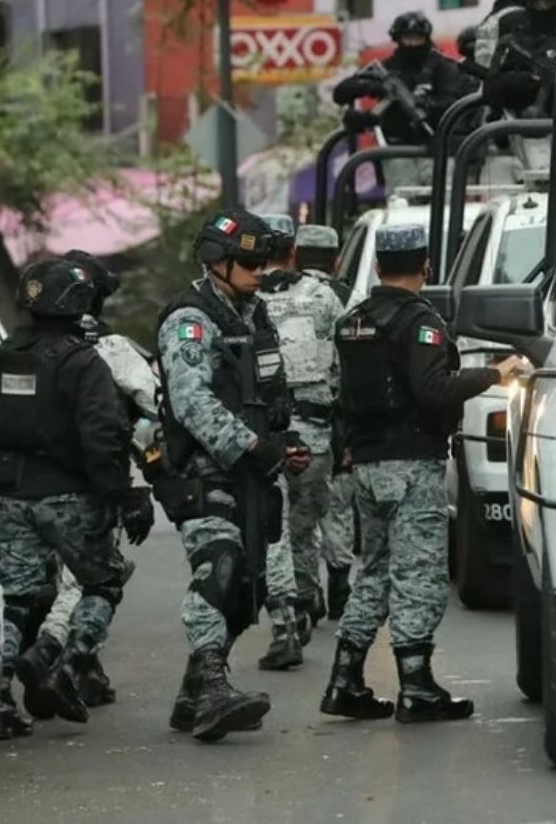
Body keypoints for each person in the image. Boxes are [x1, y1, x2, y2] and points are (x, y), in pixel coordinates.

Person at [320, 224, 518, 723]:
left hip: (366, 464)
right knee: (420, 575)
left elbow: (338, 394)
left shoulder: (352, 321)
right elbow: (432, 389)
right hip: (411, 463)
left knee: (376, 572)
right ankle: (416, 686)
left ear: (380, 266)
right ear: (426, 265)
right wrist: (497, 373)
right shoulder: (419, 323)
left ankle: (344, 679)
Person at [156, 210, 310, 740]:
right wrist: (252, 448)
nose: (260, 270)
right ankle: (213, 691)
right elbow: (191, 401)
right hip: (205, 472)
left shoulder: (254, 315)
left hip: (253, 475)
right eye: (248, 261)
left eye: (263, 260)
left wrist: (284, 444)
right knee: (219, 569)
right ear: (215, 261)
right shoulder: (191, 321)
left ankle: (191, 695)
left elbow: (268, 395)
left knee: (247, 591)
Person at [0, 259, 145, 737]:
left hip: (13, 495)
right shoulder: (81, 360)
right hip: (70, 497)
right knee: (105, 583)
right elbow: (103, 435)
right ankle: (63, 665)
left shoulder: (7, 354)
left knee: (13, 600)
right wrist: (124, 495)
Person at [15, 249, 160, 711]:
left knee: (31, 584)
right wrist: (135, 477)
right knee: (93, 580)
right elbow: (153, 409)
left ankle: (15, 689)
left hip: (20, 488)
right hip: (91, 485)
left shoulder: (16, 350)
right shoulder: (109, 350)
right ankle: (57, 656)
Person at [256, 214, 344, 668]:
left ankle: (286, 620)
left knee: (273, 529)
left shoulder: (242, 302)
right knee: (303, 526)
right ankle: (308, 598)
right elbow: (343, 365)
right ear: (292, 251)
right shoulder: (322, 298)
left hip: (263, 438)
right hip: (314, 436)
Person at [295, 223, 357, 620]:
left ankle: (308, 592)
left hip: (298, 421)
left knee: (301, 514)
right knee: (338, 504)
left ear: (296, 257)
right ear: (336, 260)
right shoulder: (348, 300)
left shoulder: (279, 298)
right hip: (339, 418)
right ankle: (339, 577)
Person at [331, 11, 473, 144]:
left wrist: (425, 104)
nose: (412, 44)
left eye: (417, 38)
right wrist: (372, 89)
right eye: (407, 38)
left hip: (435, 145)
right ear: (398, 39)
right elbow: (341, 92)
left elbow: (453, 103)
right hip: (394, 146)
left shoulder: (442, 66)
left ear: (425, 38)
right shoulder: (387, 67)